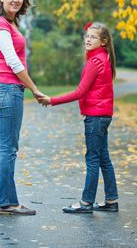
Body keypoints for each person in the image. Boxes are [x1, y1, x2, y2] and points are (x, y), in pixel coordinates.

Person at [38, 22, 118, 213]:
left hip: (96, 117)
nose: (88, 39)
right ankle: (111, 200)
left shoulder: (95, 61)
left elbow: (80, 92)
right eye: (87, 36)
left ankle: (86, 202)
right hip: (103, 115)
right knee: (103, 158)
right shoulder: (103, 58)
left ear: (104, 42)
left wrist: (52, 100)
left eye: (93, 37)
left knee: (92, 159)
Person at [0, 0, 44, 215]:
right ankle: (8, 202)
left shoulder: (7, 23)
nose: (16, 0)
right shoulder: (0, 24)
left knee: (1, 147)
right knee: (8, 148)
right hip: (8, 89)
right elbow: (11, 60)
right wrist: (34, 88)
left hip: (3, 87)